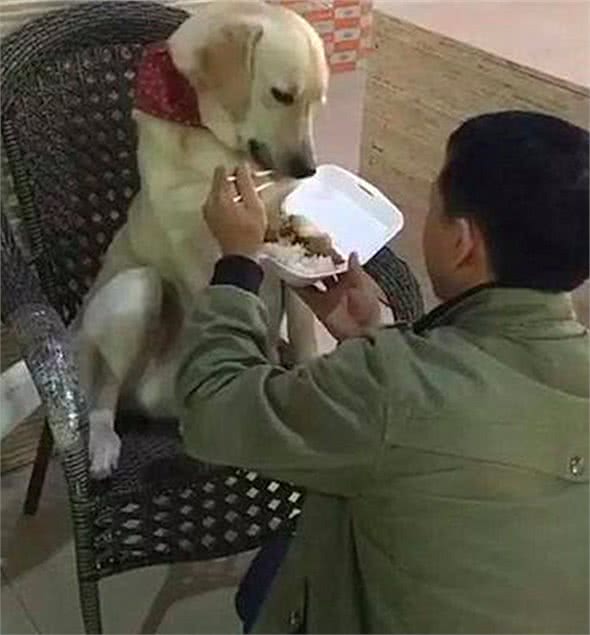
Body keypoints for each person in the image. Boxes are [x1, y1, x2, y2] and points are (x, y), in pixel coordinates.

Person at [176, 111, 589, 634]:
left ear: (463, 242)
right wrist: (380, 337)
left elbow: (212, 407)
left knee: (279, 568)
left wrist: (237, 265)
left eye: (434, 207)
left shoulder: (391, 387)